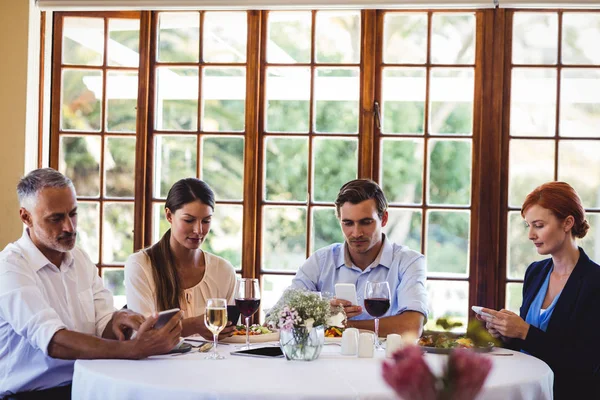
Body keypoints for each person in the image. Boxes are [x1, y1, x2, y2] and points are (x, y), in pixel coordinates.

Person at [0, 168, 182, 399]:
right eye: (56, 218)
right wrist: (132, 349)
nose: (70, 227)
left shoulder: (80, 259)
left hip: (87, 385)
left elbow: (102, 324)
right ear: (26, 217)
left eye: (73, 214)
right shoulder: (10, 267)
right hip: (32, 394)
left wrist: (119, 320)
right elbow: (54, 341)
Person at [478, 182, 600, 399]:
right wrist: (505, 333)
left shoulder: (594, 281)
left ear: (568, 223)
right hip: (527, 389)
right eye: (528, 226)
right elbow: (529, 345)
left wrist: (524, 331)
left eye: (539, 225)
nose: (531, 235)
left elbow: (586, 364)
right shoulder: (535, 272)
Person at [290, 179, 428, 336]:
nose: (356, 233)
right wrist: (321, 310)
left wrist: (339, 325)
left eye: (366, 222)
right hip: (328, 359)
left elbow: (412, 326)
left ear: (383, 219)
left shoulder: (409, 262)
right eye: (348, 223)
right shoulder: (320, 261)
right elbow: (276, 317)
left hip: (383, 359)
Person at [125, 178, 236, 340]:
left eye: (206, 221)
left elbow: (228, 335)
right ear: (169, 215)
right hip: (158, 365)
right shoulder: (140, 265)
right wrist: (193, 325)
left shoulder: (223, 271)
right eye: (189, 220)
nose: (198, 230)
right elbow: (143, 335)